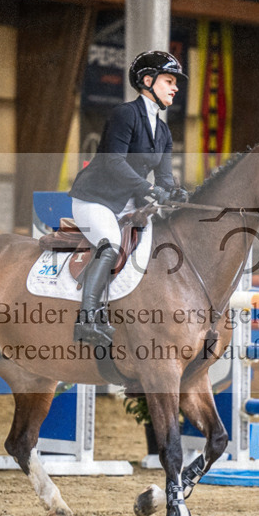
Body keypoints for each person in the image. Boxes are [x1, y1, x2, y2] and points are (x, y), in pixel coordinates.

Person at [68, 50, 189, 347]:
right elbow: (114, 161)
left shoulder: (163, 131)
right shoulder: (125, 114)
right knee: (109, 245)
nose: (175, 87)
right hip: (96, 199)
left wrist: (175, 191)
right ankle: (87, 320)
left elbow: (163, 177)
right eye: (169, 80)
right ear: (147, 81)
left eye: (176, 82)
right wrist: (149, 190)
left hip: (128, 204)